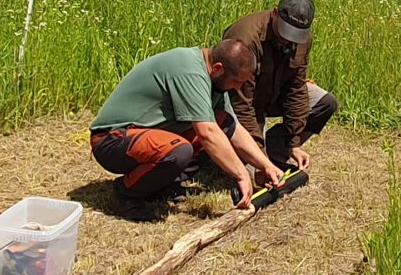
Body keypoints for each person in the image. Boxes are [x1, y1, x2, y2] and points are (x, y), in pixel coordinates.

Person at [89, 38, 287, 209]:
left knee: (222, 121)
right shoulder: (190, 71)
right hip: (112, 140)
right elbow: (207, 132)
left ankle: (160, 185)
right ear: (218, 69)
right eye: (237, 81)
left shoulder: (214, 79)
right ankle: (127, 191)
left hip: (146, 136)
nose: (239, 88)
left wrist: (265, 165)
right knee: (179, 150)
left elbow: (232, 128)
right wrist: (242, 175)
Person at [221, 0, 337, 170]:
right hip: (244, 103)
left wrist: (294, 142)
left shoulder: (301, 39)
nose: (289, 39)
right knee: (255, 173)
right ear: (275, 13)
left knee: (326, 103)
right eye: (286, 31)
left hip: (273, 95)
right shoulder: (245, 38)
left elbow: (296, 88)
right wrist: (260, 159)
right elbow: (242, 105)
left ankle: (275, 152)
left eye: (296, 34)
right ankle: (242, 152)